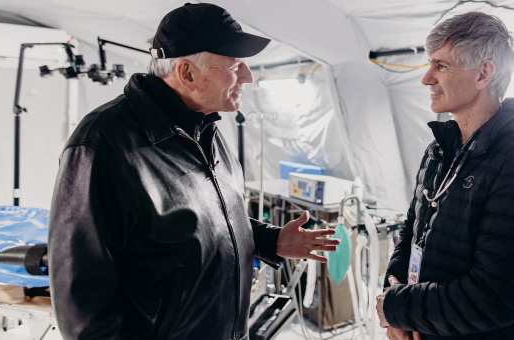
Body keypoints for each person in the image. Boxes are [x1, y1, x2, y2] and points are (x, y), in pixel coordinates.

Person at [48, 3, 339, 340]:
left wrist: (270, 240)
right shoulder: (103, 144)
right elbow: (81, 301)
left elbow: (201, 223)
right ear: (187, 73)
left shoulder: (206, 129)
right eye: (234, 66)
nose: (248, 77)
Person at [376, 12, 514, 340]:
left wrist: (398, 308)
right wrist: (396, 290)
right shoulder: (438, 150)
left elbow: (495, 297)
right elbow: (411, 231)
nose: (426, 78)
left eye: (441, 66)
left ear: (484, 73)